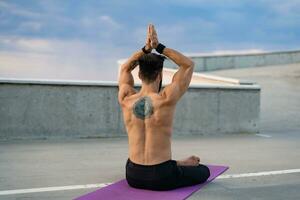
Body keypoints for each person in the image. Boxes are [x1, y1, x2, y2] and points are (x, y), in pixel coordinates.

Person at [118, 24, 210, 191]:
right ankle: (179, 165)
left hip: (133, 175)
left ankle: (180, 163)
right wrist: (159, 46)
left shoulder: (126, 98)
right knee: (204, 171)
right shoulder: (166, 98)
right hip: (161, 176)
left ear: (139, 74)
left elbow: (125, 67)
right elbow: (188, 65)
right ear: (160, 75)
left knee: (174, 166)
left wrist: (146, 49)